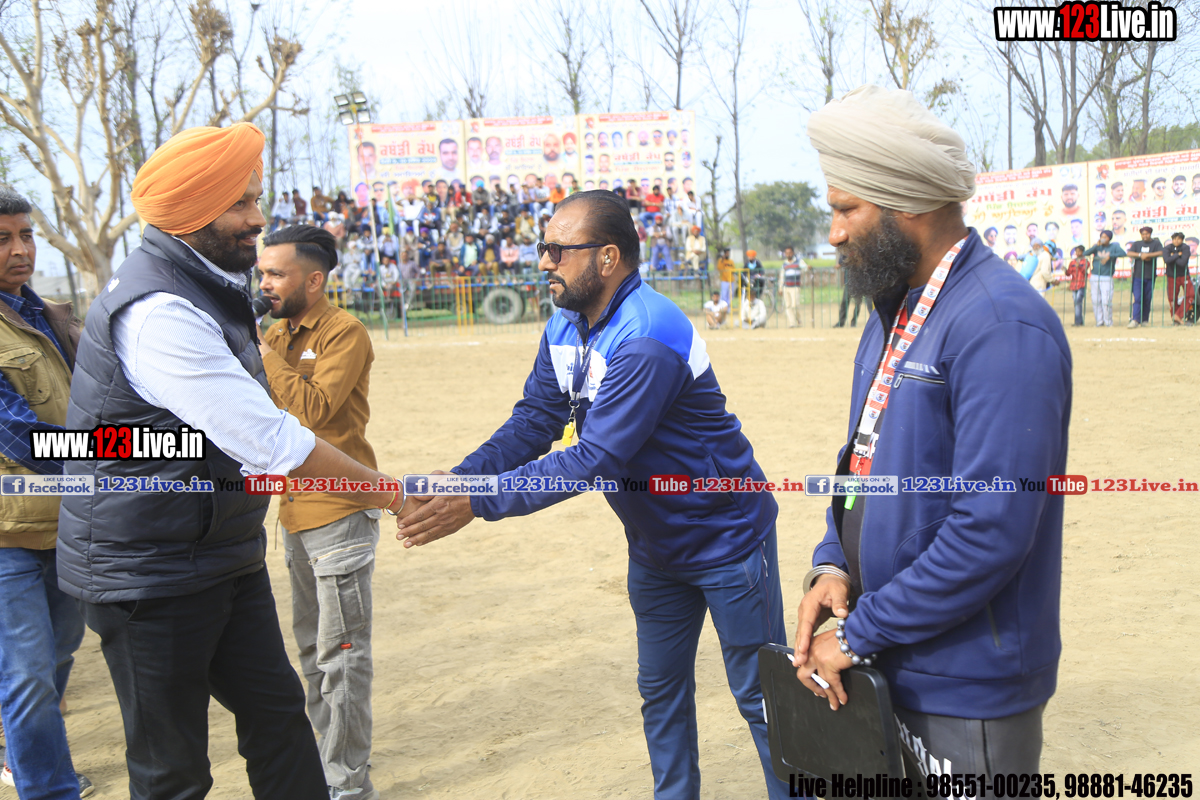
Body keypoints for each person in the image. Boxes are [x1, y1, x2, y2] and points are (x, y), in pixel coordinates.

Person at [395, 191, 791, 800]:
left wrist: (476, 501)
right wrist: (463, 478)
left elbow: (594, 458)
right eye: (543, 247)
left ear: (607, 258)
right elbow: (535, 419)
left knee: (764, 701)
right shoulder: (565, 323)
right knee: (660, 696)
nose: (543, 262)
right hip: (654, 548)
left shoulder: (647, 333)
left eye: (558, 250)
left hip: (728, 541)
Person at [57, 123, 407, 800]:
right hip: (148, 573)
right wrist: (392, 494)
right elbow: (273, 442)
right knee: (173, 770)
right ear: (191, 212)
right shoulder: (159, 311)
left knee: (280, 723)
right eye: (239, 203)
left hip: (220, 553)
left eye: (255, 198)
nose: (256, 218)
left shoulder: (209, 286)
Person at [797, 84, 1070, 778]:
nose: (834, 233)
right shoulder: (893, 311)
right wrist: (833, 563)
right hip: (885, 655)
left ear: (909, 203)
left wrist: (856, 635)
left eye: (846, 210)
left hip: (965, 682)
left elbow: (990, 531)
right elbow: (862, 461)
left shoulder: (1001, 326)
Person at [258, 226, 381, 800]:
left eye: (275, 274)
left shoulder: (343, 332)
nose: (264, 283)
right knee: (310, 650)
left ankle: (348, 784)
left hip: (340, 512)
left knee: (343, 656)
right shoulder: (275, 333)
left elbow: (310, 411)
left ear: (313, 279)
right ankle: (329, 760)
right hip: (292, 511)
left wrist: (262, 355)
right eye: (262, 273)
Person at [0, 188, 95, 798]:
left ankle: (23, 757)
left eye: (26, 235)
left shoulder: (53, 316)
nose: (21, 250)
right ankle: (49, 789)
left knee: (56, 660)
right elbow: (22, 437)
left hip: (68, 525)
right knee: (29, 675)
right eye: (3, 238)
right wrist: (135, 453)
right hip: (7, 534)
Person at [1083, 230, 1125, 327]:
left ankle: (1108, 322)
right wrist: (1096, 246)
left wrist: (1111, 256)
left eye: (1105, 237)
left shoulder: (1114, 246)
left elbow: (1123, 253)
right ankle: (1099, 321)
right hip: (1095, 276)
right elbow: (1085, 253)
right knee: (1096, 300)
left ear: (1109, 238)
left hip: (1106, 276)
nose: (1103, 239)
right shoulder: (1097, 247)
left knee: (1106, 300)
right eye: (1102, 236)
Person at [1126, 226, 1162, 328]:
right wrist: (1140, 255)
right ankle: (1135, 319)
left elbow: (1161, 252)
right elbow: (1129, 253)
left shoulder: (1156, 243)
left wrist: (1148, 255)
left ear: (1150, 234)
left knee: (1147, 298)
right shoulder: (1137, 244)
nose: (1145, 236)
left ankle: (1144, 320)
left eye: (1147, 234)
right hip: (1138, 275)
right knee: (1138, 298)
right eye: (1143, 234)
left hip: (1150, 275)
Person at [1163, 231, 1193, 326]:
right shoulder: (1167, 248)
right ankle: (1175, 320)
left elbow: (1182, 263)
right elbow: (1166, 260)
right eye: (1174, 239)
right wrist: (1177, 255)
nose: (1176, 241)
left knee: (1190, 294)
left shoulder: (1185, 247)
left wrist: (1172, 257)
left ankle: (1178, 315)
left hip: (1184, 275)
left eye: (1178, 239)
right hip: (1171, 276)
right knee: (1172, 298)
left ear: (1182, 240)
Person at [781, 246, 808, 328]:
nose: (788, 254)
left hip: (795, 286)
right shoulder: (784, 264)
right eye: (787, 253)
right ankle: (792, 323)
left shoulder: (798, 261)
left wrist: (807, 267)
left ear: (793, 253)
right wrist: (780, 287)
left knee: (795, 305)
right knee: (788, 306)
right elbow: (781, 276)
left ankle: (798, 319)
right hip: (786, 287)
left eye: (790, 253)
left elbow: (805, 268)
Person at [1064, 245, 1090, 326]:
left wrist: (1079, 267)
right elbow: (1069, 273)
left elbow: (1084, 271)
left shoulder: (1085, 261)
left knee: (1078, 302)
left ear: (1082, 252)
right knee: (1076, 303)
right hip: (1074, 285)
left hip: (1081, 284)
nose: (1078, 253)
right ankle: (1079, 320)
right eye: (1076, 251)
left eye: (1079, 251)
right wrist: (1065, 270)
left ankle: (1078, 321)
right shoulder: (1072, 262)